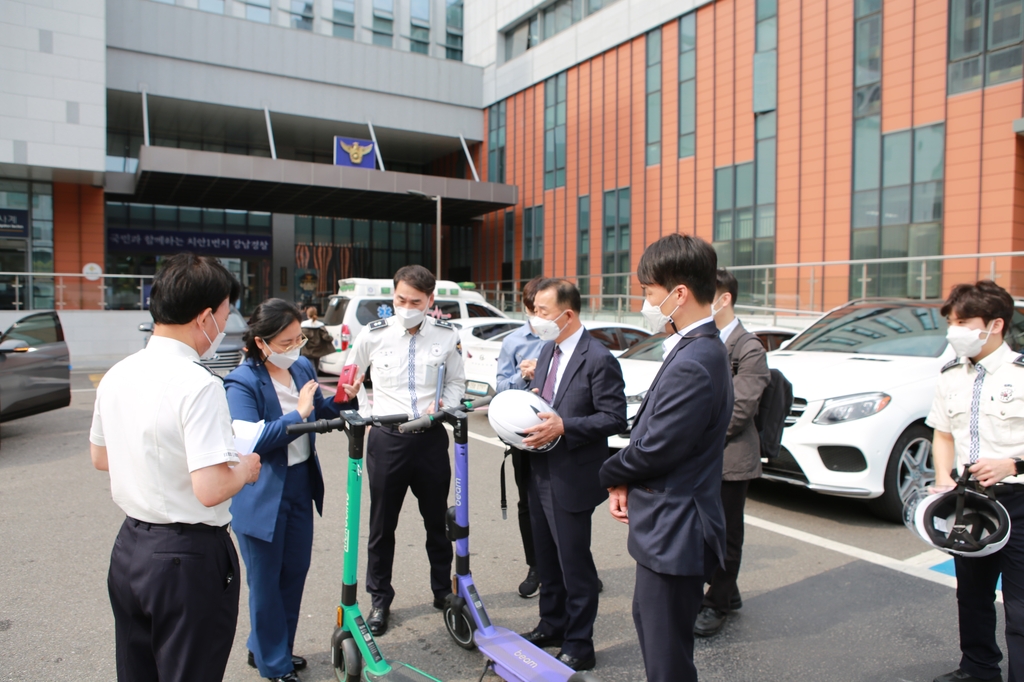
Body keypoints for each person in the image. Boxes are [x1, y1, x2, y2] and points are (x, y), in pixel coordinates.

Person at [89, 253, 262, 682]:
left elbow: (100, 457)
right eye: (225, 313)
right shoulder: (197, 384)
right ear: (205, 316)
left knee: (137, 670)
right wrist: (245, 468)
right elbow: (210, 488)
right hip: (187, 557)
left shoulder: (118, 373)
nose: (225, 324)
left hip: (130, 549)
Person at [598, 234, 732, 682]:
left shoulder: (697, 357)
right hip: (669, 525)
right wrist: (623, 482)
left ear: (679, 294)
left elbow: (657, 447)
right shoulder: (696, 349)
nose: (644, 303)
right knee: (658, 638)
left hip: (678, 530)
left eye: (648, 293)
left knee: (667, 656)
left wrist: (608, 473)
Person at [224, 299, 362, 682]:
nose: (294, 347)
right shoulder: (242, 382)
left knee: (294, 572)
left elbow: (320, 412)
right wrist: (297, 414)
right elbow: (251, 441)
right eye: (285, 342)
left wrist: (343, 399)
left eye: (297, 338)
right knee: (266, 582)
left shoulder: (301, 366)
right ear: (260, 342)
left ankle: (271, 649)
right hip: (262, 491)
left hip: (301, 483)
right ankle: (274, 665)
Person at [346, 264, 466, 636]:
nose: (407, 306)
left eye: (415, 301)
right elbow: (351, 377)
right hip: (387, 439)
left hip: (430, 439)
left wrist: (443, 407)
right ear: (393, 297)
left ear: (430, 301)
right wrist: (366, 412)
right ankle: (379, 599)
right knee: (382, 526)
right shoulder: (373, 334)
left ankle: (441, 591)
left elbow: (458, 380)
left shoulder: (447, 336)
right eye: (400, 299)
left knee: (437, 521)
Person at [518, 278, 627, 672]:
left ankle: (580, 643)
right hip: (539, 466)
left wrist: (566, 426)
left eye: (542, 312)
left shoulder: (599, 358)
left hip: (571, 474)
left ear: (568, 314)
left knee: (573, 564)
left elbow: (615, 416)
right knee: (546, 558)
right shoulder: (548, 350)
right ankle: (552, 624)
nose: (535, 318)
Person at [927, 280, 1024, 682]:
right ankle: (979, 667)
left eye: (964, 321)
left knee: (1019, 605)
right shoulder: (950, 375)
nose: (955, 330)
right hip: (971, 500)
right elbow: (943, 432)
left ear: (995, 324)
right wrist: (942, 476)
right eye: (952, 322)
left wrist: (1013, 465)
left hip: (1018, 500)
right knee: (972, 594)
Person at [694, 268, 771, 638]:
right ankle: (729, 590)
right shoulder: (700, 340)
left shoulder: (748, 347)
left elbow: (739, 410)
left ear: (723, 299)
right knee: (701, 531)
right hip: (702, 455)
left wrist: (693, 439)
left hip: (730, 457)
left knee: (725, 534)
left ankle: (717, 603)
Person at [494, 276, 544, 598]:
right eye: (537, 308)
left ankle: (574, 564)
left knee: (568, 502)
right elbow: (499, 388)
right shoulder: (513, 341)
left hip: (560, 429)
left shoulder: (566, 338)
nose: (544, 315)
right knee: (527, 502)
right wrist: (522, 375)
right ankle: (535, 565)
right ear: (526, 308)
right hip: (525, 434)